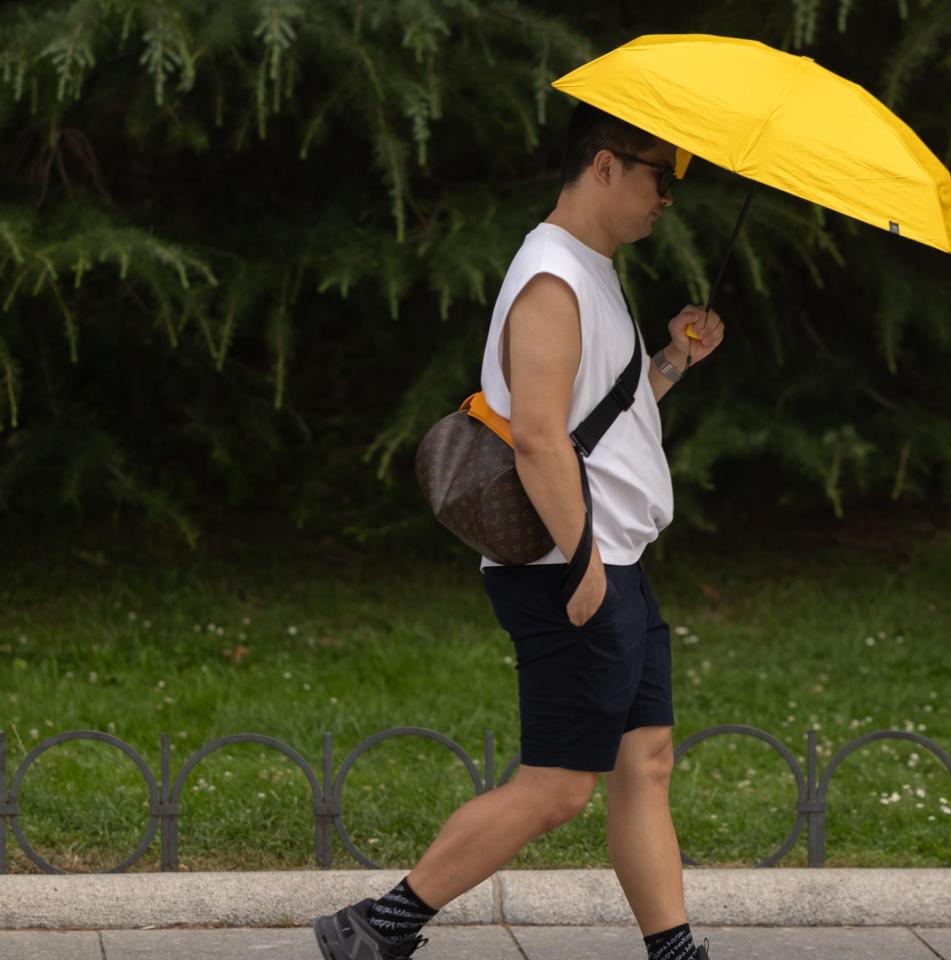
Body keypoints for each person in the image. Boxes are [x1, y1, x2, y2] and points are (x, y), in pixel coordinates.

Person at [313, 101, 726, 960]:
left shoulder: (591, 270)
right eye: (659, 176)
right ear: (606, 165)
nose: (667, 199)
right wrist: (582, 567)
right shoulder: (551, 277)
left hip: (611, 562)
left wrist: (676, 358)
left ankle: (675, 951)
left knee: (644, 761)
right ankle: (379, 927)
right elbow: (537, 434)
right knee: (557, 788)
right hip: (568, 568)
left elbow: (599, 423)